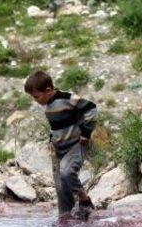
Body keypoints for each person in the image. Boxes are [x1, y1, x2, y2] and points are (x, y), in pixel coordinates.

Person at [24, 71, 98, 219]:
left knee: (67, 173)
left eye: (36, 97)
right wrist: (51, 140)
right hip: (58, 149)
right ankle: (66, 219)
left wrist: (86, 133)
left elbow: (91, 108)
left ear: (48, 90)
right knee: (61, 189)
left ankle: (84, 199)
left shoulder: (67, 98)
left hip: (75, 145)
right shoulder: (47, 103)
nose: (35, 101)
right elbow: (57, 124)